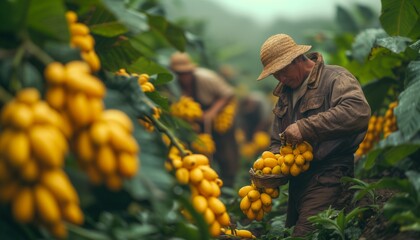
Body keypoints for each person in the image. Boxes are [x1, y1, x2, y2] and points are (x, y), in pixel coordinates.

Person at [257, 34, 371, 237]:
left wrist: (306, 127)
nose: (281, 79)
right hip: (298, 182)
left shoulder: (335, 78)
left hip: (330, 174)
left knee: (305, 234)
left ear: (297, 59)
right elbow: (277, 140)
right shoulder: (285, 94)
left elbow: (357, 111)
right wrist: (274, 166)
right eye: (275, 74)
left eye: (283, 71)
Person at [169, 52, 240, 188]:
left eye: (186, 73)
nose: (184, 77)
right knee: (200, 150)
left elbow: (229, 94)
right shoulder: (174, 85)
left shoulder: (206, 78)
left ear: (192, 70)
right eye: (180, 73)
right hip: (198, 120)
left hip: (219, 114)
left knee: (225, 151)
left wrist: (212, 112)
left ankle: (229, 182)